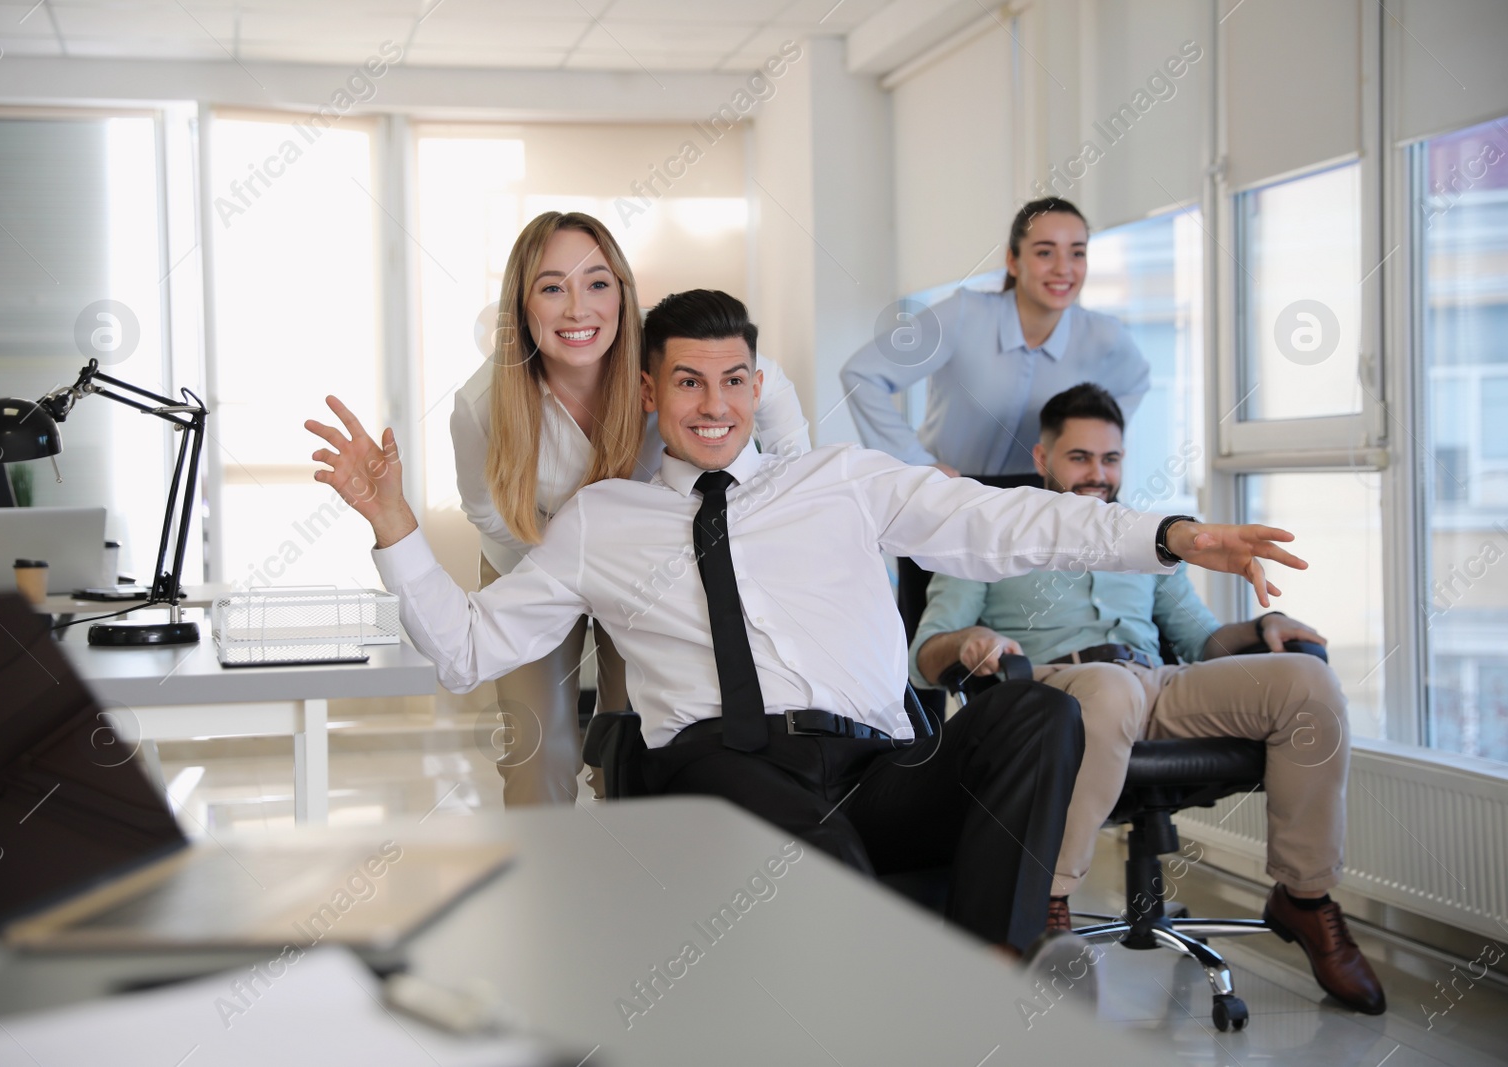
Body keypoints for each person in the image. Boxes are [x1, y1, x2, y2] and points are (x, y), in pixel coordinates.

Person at [305, 290, 1306, 954]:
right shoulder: (599, 520)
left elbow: (1008, 520)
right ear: (651, 390)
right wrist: (392, 520)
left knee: (1041, 716)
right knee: (829, 886)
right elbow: (468, 645)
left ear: (758, 384)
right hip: (723, 764)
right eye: (688, 381)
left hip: (877, 766)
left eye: (734, 379)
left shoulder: (840, 482)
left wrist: (1170, 533)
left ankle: (988, 989)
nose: (713, 404)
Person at [909, 383, 1386, 1014]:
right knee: (1108, 690)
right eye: (1080, 458)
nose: (1097, 475)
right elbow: (925, 656)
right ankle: (1046, 903)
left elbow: (1201, 643)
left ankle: (1304, 897)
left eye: (1111, 460)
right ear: (1043, 457)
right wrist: (969, 639)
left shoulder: (1148, 537)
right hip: (1047, 694)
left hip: (1152, 686)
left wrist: (1261, 632)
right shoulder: (989, 533)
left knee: (1308, 681)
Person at [449, 212, 810, 806]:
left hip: (649, 564)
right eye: (551, 287)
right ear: (522, 304)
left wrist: (792, 495)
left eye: (597, 283)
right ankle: (550, 889)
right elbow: (486, 511)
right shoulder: (482, 402)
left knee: (642, 739)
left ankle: (635, 881)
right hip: (528, 561)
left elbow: (770, 388)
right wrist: (570, 560)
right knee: (538, 754)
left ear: (622, 290)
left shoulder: (664, 352)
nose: (577, 310)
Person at [840, 197, 1150, 479]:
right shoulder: (964, 314)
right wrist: (916, 463)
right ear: (1013, 261)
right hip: (950, 490)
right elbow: (862, 374)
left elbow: (1135, 382)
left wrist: (1090, 447)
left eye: (1077, 253)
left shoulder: (1103, 335)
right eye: (1045, 252)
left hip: (1034, 498)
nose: (1063, 268)